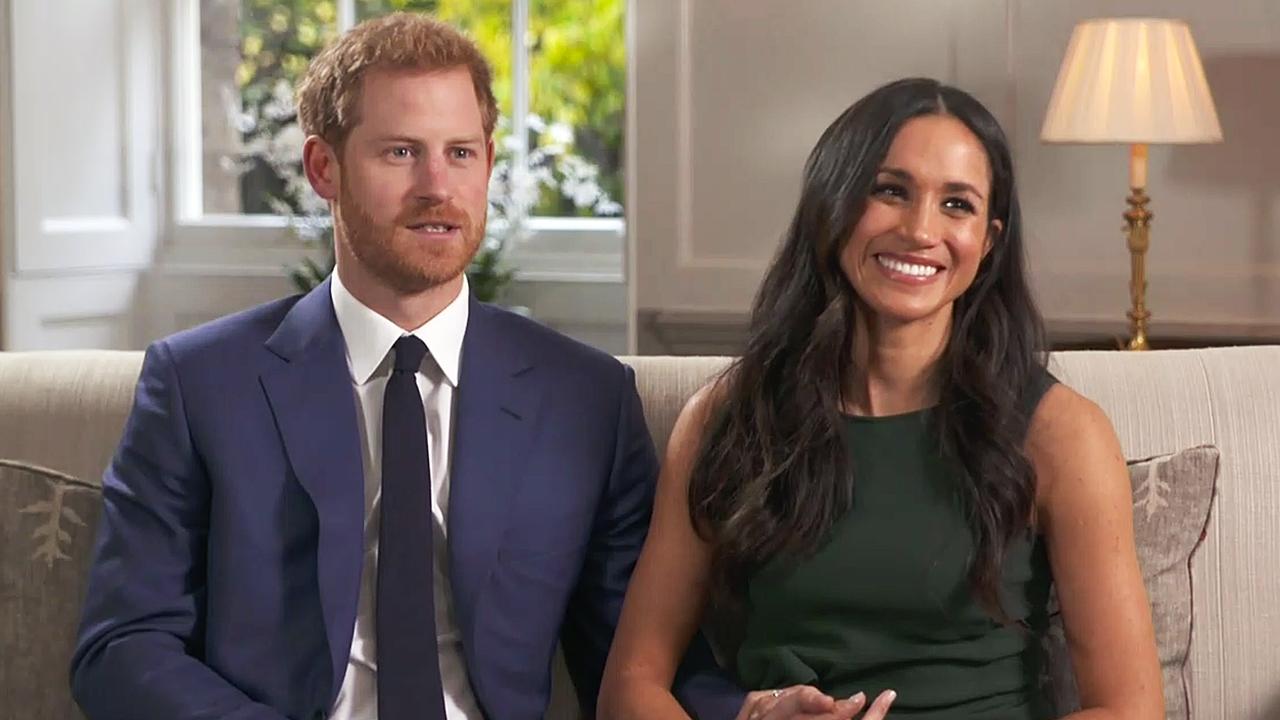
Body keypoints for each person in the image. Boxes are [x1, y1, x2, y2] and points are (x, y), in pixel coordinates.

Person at [70, 13, 740, 720]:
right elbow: (122, 646)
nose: (436, 187)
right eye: (399, 153)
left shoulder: (585, 399)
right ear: (324, 168)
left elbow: (638, 655)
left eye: (461, 153)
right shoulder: (199, 385)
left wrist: (751, 712)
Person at [598, 78, 1165, 720]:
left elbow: (1129, 709)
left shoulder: (1063, 434)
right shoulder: (726, 419)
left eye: (957, 205)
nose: (921, 230)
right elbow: (632, 685)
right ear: (832, 206)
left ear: (989, 240)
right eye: (890, 191)